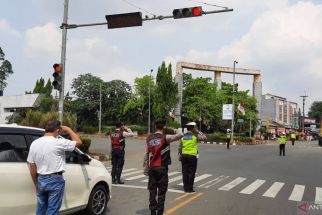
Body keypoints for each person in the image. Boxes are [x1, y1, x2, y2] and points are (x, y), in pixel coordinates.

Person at [27, 120, 82, 215]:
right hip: (55, 180)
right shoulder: (59, 142)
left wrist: (36, 183)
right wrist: (68, 129)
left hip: (41, 179)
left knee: (41, 209)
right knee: (52, 211)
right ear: (58, 130)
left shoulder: (34, 143)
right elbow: (78, 142)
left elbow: (32, 166)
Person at [143, 119, 183, 215]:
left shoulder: (149, 138)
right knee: (161, 192)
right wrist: (172, 129)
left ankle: (153, 211)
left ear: (155, 127)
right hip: (162, 169)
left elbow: (146, 154)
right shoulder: (166, 137)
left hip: (152, 168)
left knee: (152, 191)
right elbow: (181, 134)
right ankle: (159, 212)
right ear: (163, 127)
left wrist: (145, 168)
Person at [178, 122, 207, 193]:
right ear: (193, 128)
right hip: (192, 156)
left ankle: (185, 188)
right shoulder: (195, 136)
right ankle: (190, 188)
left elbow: (180, 147)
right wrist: (197, 131)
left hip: (184, 155)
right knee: (191, 172)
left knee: (184, 172)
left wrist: (179, 155)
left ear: (187, 128)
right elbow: (205, 138)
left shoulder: (183, 136)